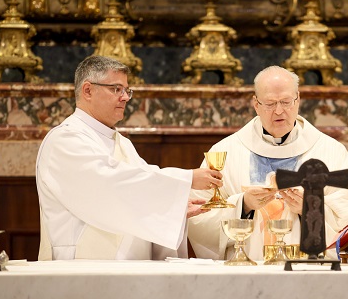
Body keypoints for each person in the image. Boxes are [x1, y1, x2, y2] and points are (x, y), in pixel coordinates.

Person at [36, 55, 223, 260]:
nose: (125, 97)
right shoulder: (65, 139)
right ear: (87, 90)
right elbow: (111, 185)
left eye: (127, 90)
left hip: (129, 270)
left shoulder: (122, 143)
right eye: (116, 89)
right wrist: (186, 179)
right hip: (79, 267)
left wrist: (170, 205)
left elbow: (139, 183)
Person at [187, 66, 348, 261]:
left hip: (308, 268)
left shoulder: (330, 151)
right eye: (270, 104)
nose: (279, 111)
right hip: (245, 270)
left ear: (298, 99)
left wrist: (309, 208)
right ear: (256, 104)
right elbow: (198, 218)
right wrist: (243, 205)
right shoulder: (226, 152)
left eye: (286, 102)